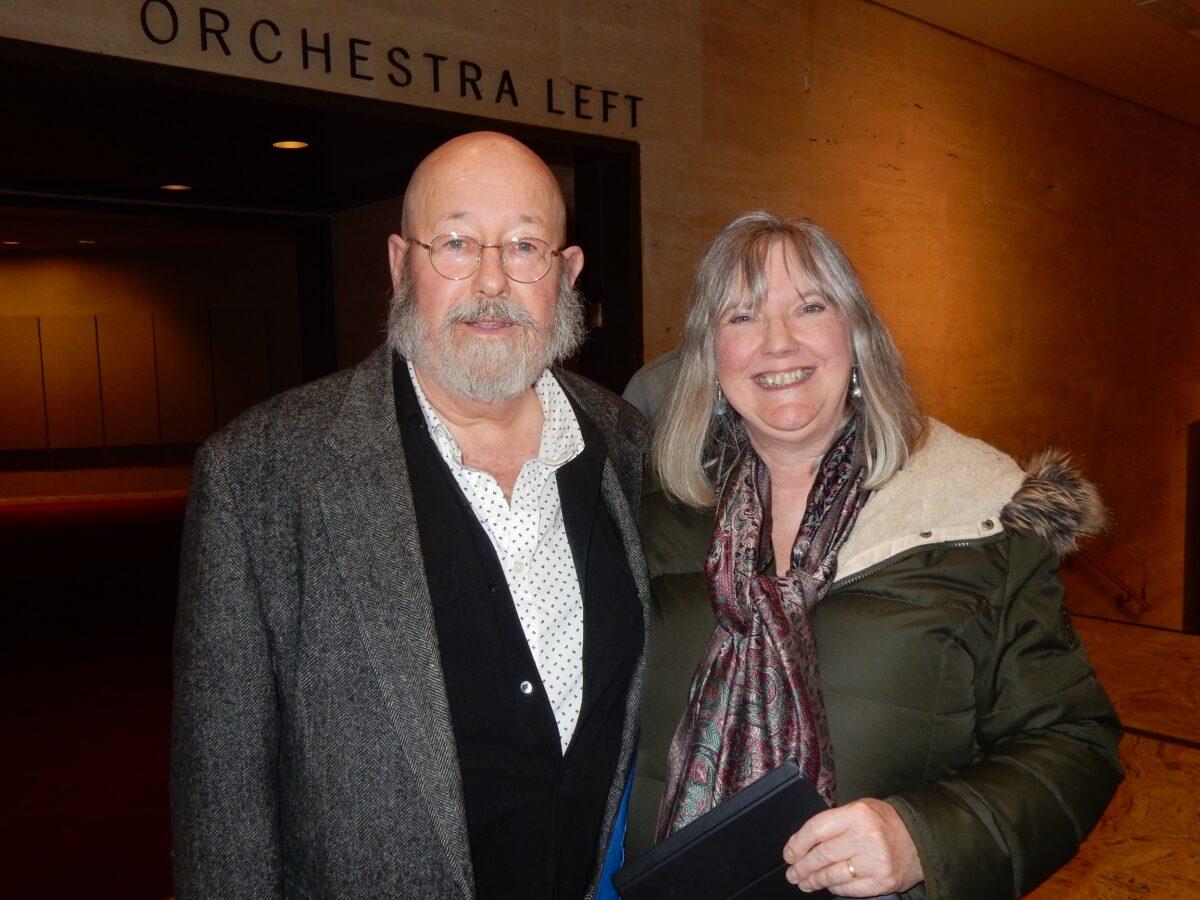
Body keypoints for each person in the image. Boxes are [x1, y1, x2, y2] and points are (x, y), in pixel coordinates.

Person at [171, 132, 650, 899]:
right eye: (456, 243)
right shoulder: (260, 475)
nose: (491, 281)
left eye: (525, 246)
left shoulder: (629, 447)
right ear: (401, 265)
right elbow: (223, 797)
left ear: (566, 274)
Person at [628, 211, 1123, 898]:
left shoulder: (973, 515)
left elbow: (1074, 744)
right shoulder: (649, 518)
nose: (777, 342)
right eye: (742, 317)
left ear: (855, 334)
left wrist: (924, 838)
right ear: (710, 354)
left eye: (809, 306)